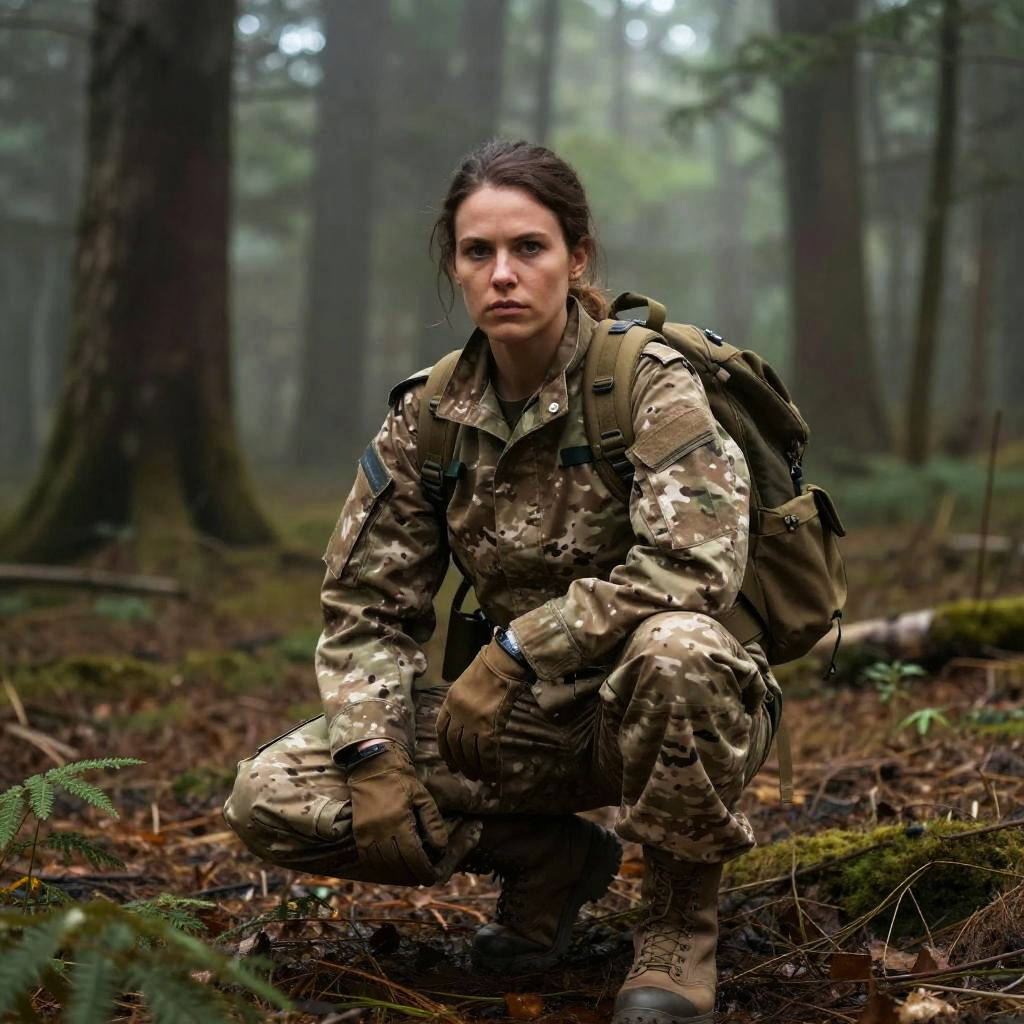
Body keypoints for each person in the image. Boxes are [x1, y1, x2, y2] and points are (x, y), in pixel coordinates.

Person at [225, 139, 780, 1024]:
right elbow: (365, 607)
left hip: (651, 709)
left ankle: (680, 925)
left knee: (679, 650)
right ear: (454, 264)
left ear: (577, 258)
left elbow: (695, 566)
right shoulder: (429, 416)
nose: (504, 274)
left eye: (530, 247)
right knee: (272, 795)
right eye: (478, 252)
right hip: (509, 732)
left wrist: (521, 649)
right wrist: (373, 754)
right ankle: (548, 860)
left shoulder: (646, 384)